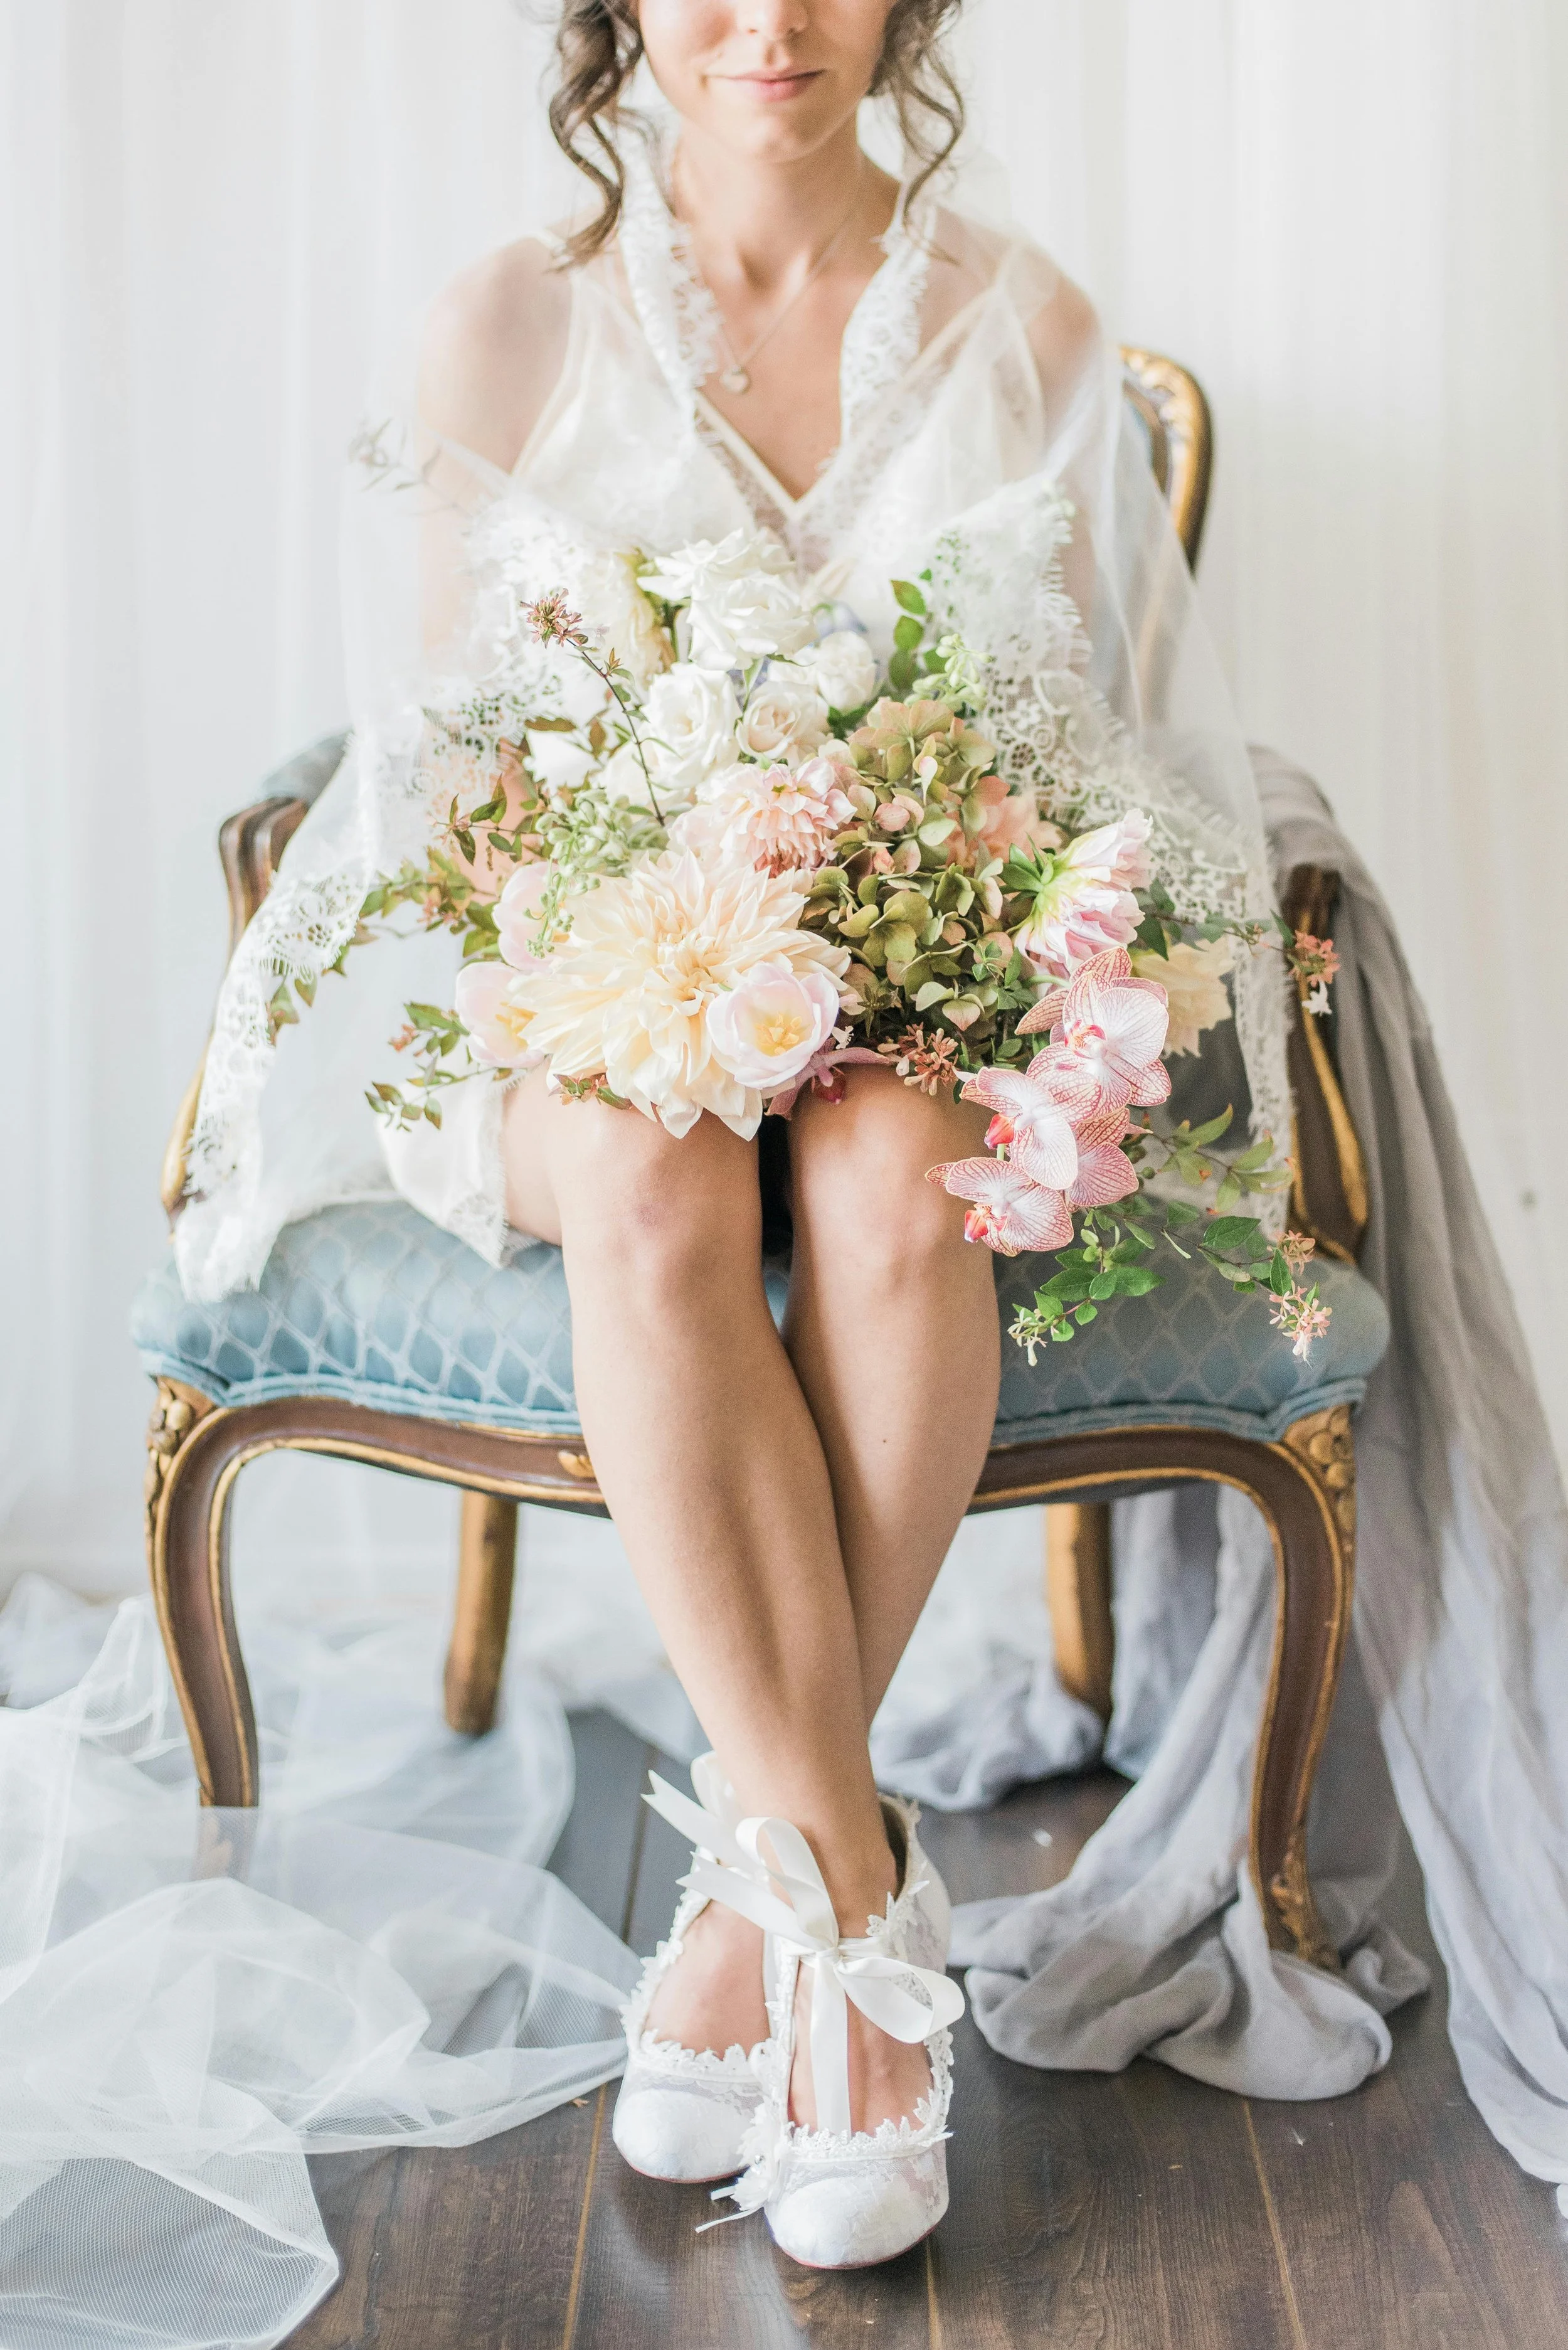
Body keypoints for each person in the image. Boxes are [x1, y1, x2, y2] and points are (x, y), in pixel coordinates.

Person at [174, 0, 1287, 2273]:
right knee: (656, 1151)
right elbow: (458, 795)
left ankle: (749, 1908)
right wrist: (672, 939)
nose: (762, 21)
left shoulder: (1021, 321)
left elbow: (1078, 751)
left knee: (892, 1175)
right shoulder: (508, 323)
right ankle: (866, 1942)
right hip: (592, 990)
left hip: (896, 986)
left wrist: (889, 925)